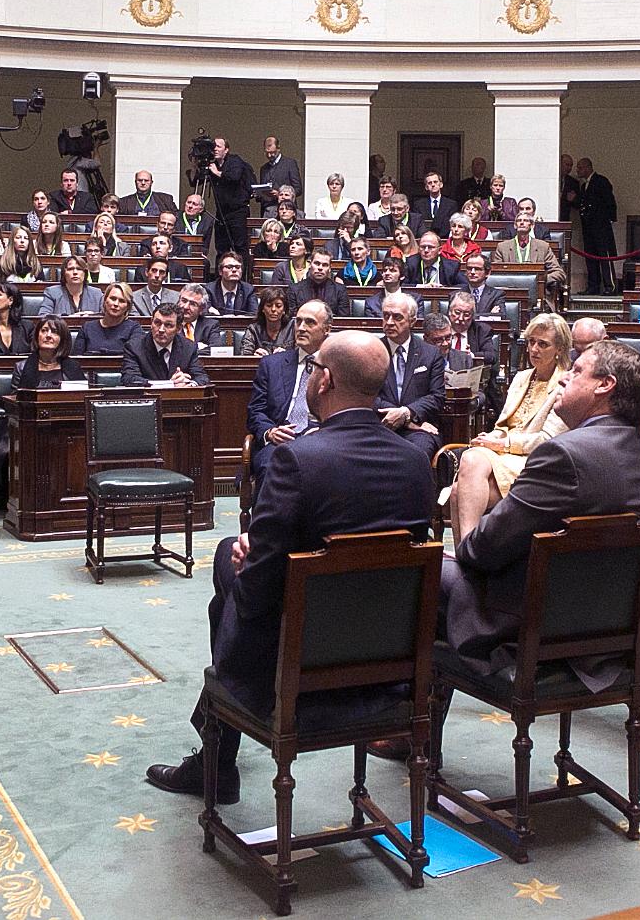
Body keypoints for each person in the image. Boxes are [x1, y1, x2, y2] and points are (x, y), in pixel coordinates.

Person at [144, 330, 433, 802]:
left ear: (324, 380)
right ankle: (215, 757)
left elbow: (258, 596)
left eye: (315, 367)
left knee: (227, 584)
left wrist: (250, 558)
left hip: (301, 664)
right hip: (388, 664)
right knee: (234, 574)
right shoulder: (416, 461)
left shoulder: (296, 460)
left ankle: (217, 758)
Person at [442, 340, 640, 692]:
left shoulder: (562, 454)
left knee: (421, 574)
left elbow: (482, 551)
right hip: (603, 627)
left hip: (532, 628)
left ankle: (407, 729)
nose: (562, 380)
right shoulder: (637, 451)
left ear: (604, 385)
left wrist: (464, 543)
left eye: (575, 372)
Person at [449, 313, 573, 505]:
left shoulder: (566, 385)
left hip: (533, 458)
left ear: (560, 348)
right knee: (465, 471)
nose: (534, 349)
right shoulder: (521, 378)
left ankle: (468, 537)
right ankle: (469, 537)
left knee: (462, 485)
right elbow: (504, 425)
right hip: (504, 453)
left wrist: (504, 443)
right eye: (531, 342)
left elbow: (548, 440)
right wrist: (491, 438)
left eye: (543, 344)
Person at [245, 301, 334, 482]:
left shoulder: (338, 366)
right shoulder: (272, 364)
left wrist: (321, 431)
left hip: (322, 440)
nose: (301, 328)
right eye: (298, 321)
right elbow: (255, 410)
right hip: (279, 441)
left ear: (327, 329)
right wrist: (269, 432)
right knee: (270, 465)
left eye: (310, 322)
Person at [374, 292, 447, 459]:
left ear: (412, 321)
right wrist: (401, 416)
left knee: (416, 455)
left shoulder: (430, 354)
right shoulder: (371, 350)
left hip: (420, 428)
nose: (390, 322)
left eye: (397, 317)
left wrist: (407, 413)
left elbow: (437, 397)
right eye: (386, 316)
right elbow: (364, 394)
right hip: (379, 425)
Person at [122, 303, 209, 387]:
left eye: (168, 325)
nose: (161, 329)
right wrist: (169, 384)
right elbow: (130, 379)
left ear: (178, 328)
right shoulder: (134, 347)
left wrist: (188, 384)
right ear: (151, 322)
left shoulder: (188, 347)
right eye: (157, 323)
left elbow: (202, 377)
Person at [202, 136, 257, 266]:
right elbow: (195, 180)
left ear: (226, 150)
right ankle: (220, 277)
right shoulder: (211, 164)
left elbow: (234, 177)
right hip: (221, 212)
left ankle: (242, 277)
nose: (214, 149)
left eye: (218, 146)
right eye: (213, 147)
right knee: (221, 248)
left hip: (238, 211)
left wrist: (217, 172)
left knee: (240, 246)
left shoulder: (235, 161)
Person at [573, 157, 619, 295]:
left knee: (605, 257)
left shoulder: (601, 181)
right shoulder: (583, 186)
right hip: (588, 228)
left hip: (601, 227)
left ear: (588, 167)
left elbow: (609, 202)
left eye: (580, 168)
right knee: (590, 256)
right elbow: (583, 204)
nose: (578, 170)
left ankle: (610, 287)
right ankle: (593, 286)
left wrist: (608, 220)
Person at [14, 315, 85, 390]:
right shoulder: (21, 368)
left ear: (63, 339)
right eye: (44, 330)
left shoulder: (73, 367)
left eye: (54, 332)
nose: (48, 335)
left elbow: (81, 396)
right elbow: (15, 398)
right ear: (37, 336)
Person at [74, 282, 139, 354]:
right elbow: (77, 359)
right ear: (105, 301)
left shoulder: (134, 329)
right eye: (113, 299)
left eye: (122, 301)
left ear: (128, 306)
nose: (116, 304)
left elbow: (134, 357)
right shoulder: (87, 328)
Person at [258, 135, 301, 213]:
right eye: (267, 153)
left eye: (272, 153)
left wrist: (280, 195)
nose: (269, 155)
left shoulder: (290, 164)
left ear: (278, 149)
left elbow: (298, 189)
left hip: (286, 209)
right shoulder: (264, 168)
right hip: (267, 210)